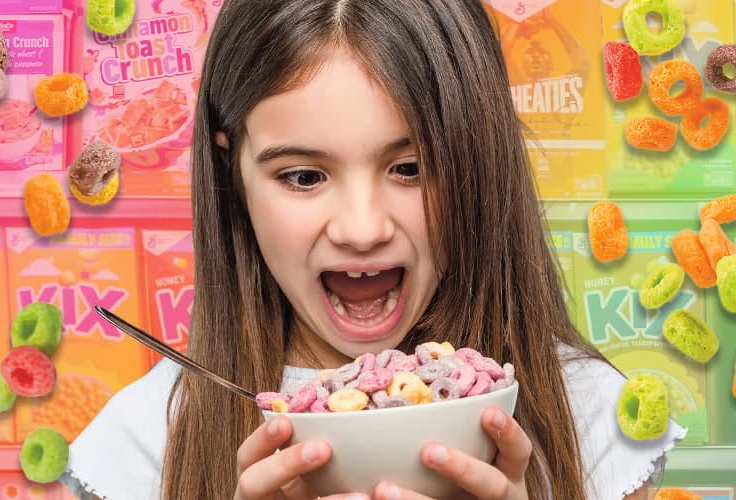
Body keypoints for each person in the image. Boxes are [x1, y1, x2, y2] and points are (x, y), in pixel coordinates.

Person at [62, 1, 686, 498]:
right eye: (303, 176)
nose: (362, 230)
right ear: (233, 170)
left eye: (410, 168)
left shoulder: (589, 416)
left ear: (479, 161)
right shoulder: (146, 442)